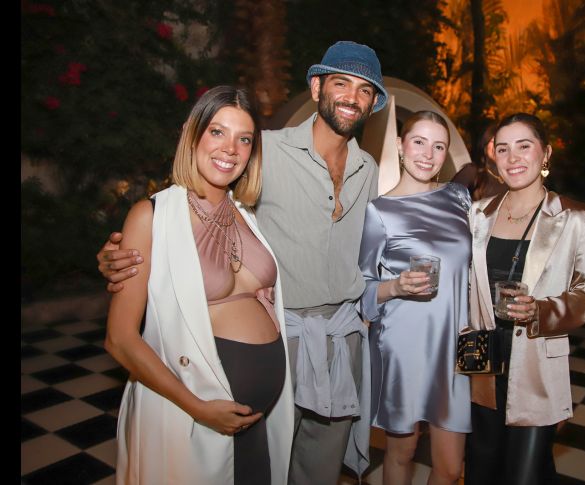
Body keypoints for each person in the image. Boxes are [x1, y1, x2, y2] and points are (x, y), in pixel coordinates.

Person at [97, 41, 389, 484]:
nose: (352, 97)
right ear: (316, 87)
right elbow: (183, 212)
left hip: (339, 336)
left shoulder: (367, 168)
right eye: (341, 83)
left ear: (373, 103)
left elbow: (370, 250)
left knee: (318, 469)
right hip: (279, 340)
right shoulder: (264, 151)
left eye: (365, 90)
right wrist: (115, 256)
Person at [103, 86, 294, 485]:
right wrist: (198, 408)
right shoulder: (151, 215)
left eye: (244, 139)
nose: (231, 149)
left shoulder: (246, 215)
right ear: (191, 133)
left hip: (257, 422)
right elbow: (120, 339)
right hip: (189, 418)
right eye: (217, 132)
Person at [464, 113, 585, 484]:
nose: (512, 158)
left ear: (546, 154)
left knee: (525, 473)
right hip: (483, 361)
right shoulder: (478, 214)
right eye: (503, 149)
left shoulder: (576, 217)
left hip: (537, 363)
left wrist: (543, 310)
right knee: (482, 468)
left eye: (524, 146)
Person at [358, 111, 471, 484]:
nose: (428, 153)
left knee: (451, 468)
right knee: (401, 452)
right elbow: (362, 289)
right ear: (400, 147)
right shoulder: (380, 211)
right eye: (419, 142)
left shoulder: (459, 198)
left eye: (439, 146)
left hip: (453, 343)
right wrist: (397, 287)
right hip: (402, 344)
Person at [451, 123, 508, 200]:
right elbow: (447, 200)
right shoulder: (472, 171)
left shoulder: (511, 174)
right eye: (493, 141)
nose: (497, 146)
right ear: (485, 145)